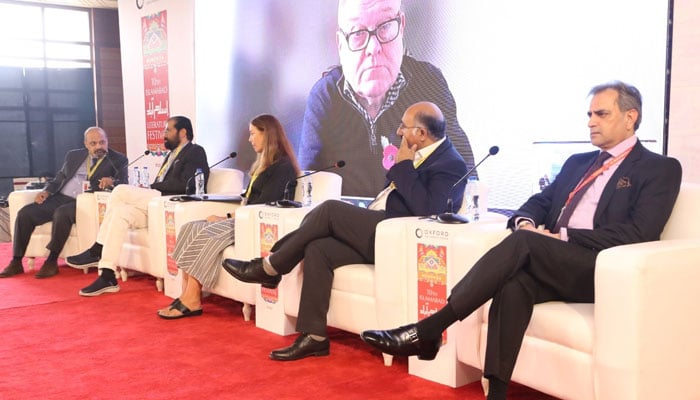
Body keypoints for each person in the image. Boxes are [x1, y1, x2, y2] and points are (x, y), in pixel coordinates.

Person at [360, 81, 683, 400]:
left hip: (602, 268)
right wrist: (527, 222)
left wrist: (559, 236)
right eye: (588, 114)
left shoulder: (659, 168)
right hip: (555, 259)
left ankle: (430, 329)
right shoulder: (578, 163)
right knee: (515, 283)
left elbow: (640, 233)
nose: (590, 122)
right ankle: (496, 393)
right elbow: (538, 203)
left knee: (525, 244)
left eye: (601, 114)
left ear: (630, 117)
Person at [223, 101, 468, 361]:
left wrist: (404, 166)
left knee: (330, 210)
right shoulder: (415, 154)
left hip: (398, 237)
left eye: (404, 127)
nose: (399, 132)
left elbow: (430, 209)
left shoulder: (451, 163)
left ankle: (271, 266)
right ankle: (314, 336)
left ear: (421, 132)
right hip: (379, 227)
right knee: (319, 249)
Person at [299, 0, 475, 198]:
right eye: (357, 33)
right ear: (340, 44)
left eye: (385, 27)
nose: (373, 47)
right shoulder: (326, 96)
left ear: (401, 27)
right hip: (343, 225)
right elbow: (305, 190)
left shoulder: (428, 83)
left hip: (410, 225)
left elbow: (467, 179)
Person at [157, 114, 300, 319]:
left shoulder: (282, 167)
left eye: (253, 134)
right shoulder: (263, 164)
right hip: (243, 218)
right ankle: (186, 292)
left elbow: (263, 206)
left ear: (267, 134)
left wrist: (228, 219)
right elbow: (248, 201)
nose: (250, 139)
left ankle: (193, 299)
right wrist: (227, 215)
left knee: (207, 233)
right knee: (189, 227)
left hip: (256, 225)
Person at [66, 116, 210, 296]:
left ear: (182, 132)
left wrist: (152, 187)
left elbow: (187, 185)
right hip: (155, 205)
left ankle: (97, 248)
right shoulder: (171, 155)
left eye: (168, 130)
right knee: (119, 213)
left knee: (119, 191)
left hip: (169, 202)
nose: (164, 134)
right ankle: (107, 274)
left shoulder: (195, 151)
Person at [0, 127, 128, 279]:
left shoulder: (118, 159)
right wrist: (46, 191)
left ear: (107, 141)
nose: (98, 147)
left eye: (102, 142)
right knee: (26, 213)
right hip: (61, 197)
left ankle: (52, 260)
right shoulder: (74, 155)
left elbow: (124, 184)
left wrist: (112, 181)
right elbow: (60, 177)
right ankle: (16, 261)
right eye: (93, 143)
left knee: (62, 213)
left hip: (84, 202)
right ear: (86, 144)